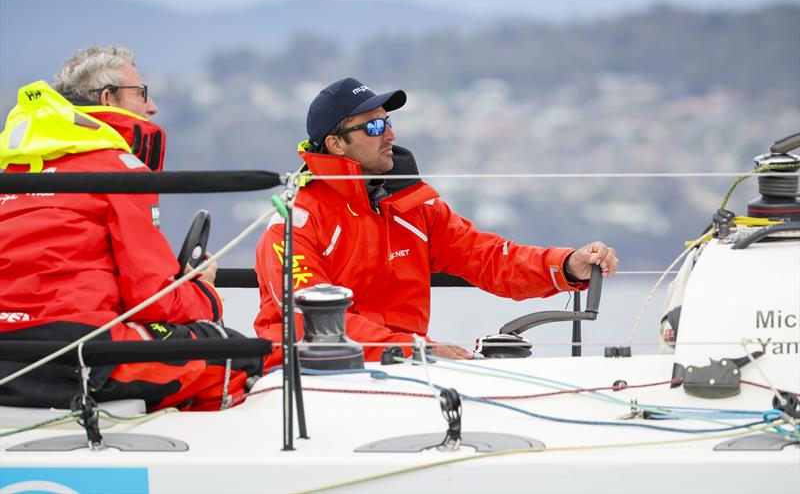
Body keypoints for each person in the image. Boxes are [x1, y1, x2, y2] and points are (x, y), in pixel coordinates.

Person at [254, 77, 618, 366]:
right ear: (336, 144)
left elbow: (489, 258)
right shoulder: (294, 222)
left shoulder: (414, 207)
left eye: (389, 121)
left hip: (402, 373)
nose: (391, 135)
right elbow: (314, 322)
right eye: (375, 126)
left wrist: (568, 266)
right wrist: (418, 351)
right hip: (311, 379)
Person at [0, 46, 262, 411]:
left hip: (8, 360)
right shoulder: (118, 169)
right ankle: (185, 463)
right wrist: (204, 293)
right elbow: (151, 298)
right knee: (228, 351)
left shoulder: (12, 174)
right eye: (141, 93)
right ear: (108, 99)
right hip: (80, 356)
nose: (152, 107)